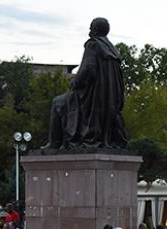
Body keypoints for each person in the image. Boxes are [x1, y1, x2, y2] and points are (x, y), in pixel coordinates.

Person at [42, 17, 126, 149]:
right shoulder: (114, 52)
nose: (89, 30)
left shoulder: (93, 44)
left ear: (94, 30)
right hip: (107, 102)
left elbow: (88, 69)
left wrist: (74, 81)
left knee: (58, 102)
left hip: (90, 99)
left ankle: (55, 143)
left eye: (91, 27)